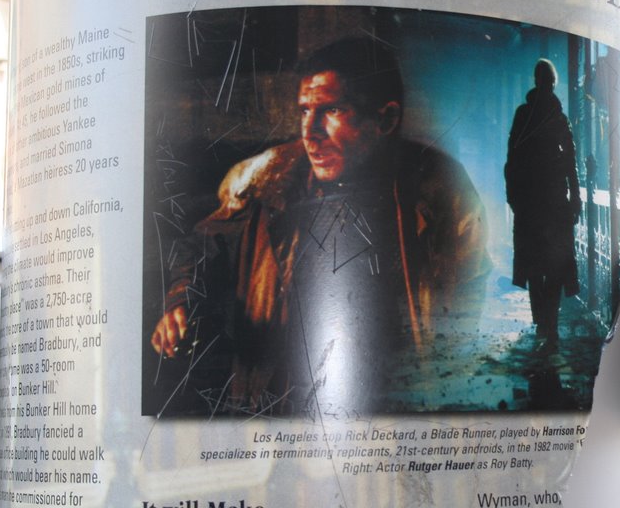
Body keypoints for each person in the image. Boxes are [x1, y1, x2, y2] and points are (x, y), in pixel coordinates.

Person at [150, 37, 489, 414]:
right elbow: (202, 247)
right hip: (283, 410)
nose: (310, 132)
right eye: (304, 110)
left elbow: (467, 307)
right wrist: (180, 303)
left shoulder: (440, 195)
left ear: (386, 119)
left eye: (332, 110)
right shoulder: (262, 183)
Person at [505, 59, 582, 350]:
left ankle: (542, 322)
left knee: (534, 263)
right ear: (552, 82)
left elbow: (512, 158)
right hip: (553, 200)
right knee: (556, 262)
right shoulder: (559, 117)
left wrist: (513, 194)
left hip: (529, 201)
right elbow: (571, 163)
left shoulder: (523, 114)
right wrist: (574, 198)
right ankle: (549, 321)